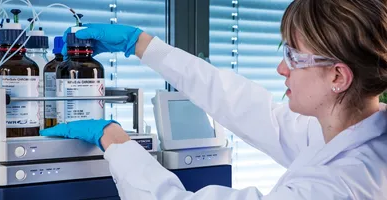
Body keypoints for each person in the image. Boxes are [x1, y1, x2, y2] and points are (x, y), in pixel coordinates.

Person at [41, 0, 387, 199]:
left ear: (338, 77)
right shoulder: (348, 134)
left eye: (295, 57)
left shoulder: (340, 186)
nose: (282, 68)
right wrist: (143, 44)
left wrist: (114, 140)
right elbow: (246, 107)